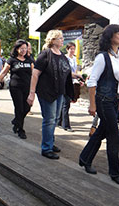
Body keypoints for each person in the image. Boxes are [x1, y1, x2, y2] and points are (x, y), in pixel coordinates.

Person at [79, 24, 119, 187]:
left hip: (113, 101)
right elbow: (92, 82)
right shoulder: (102, 57)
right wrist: (92, 105)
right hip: (103, 100)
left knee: (101, 131)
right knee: (113, 136)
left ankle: (85, 158)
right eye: (118, 33)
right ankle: (115, 173)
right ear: (110, 36)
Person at [27, 30, 74, 160]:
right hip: (47, 92)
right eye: (59, 38)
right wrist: (31, 93)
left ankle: (50, 142)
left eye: (62, 37)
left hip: (59, 92)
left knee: (54, 119)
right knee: (49, 119)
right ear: (52, 40)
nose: (62, 40)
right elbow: (35, 74)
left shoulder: (63, 56)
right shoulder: (45, 55)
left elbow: (65, 72)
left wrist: (76, 78)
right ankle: (46, 148)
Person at [0, 39, 32, 139]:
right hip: (15, 87)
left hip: (27, 87)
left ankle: (16, 121)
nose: (24, 50)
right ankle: (20, 129)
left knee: (27, 108)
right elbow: (3, 72)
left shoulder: (29, 60)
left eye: (25, 48)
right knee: (19, 108)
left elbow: (34, 73)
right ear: (17, 49)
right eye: (22, 48)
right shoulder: (12, 60)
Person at [58, 42, 83, 132]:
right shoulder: (64, 58)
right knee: (66, 104)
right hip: (65, 82)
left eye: (74, 49)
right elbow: (66, 71)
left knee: (64, 103)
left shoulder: (74, 59)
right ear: (67, 49)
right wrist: (77, 75)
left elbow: (75, 70)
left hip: (72, 82)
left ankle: (58, 121)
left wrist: (78, 78)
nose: (72, 50)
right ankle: (66, 125)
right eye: (71, 49)